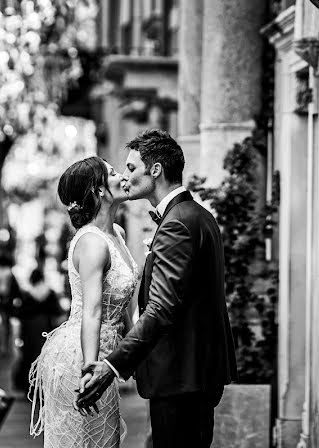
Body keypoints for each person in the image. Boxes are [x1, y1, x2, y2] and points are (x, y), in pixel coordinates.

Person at [76, 130, 238, 448]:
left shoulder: (177, 223)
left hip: (181, 376)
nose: (125, 176)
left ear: (155, 170)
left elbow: (162, 307)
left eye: (132, 168)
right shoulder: (197, 216)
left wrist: (111, 366)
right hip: (193, 373)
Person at [28, 156, 138, 448]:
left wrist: (134, 354)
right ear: (99, 189)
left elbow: (122, 306)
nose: (123, 177)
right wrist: (89, 368)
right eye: (114, 173)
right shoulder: (91, 242)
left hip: (105, 357)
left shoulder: (117, 235)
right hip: (79, 357)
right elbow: (93, 310)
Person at [13, 268, 62, 393]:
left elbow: (20, 314)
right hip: (45, 328)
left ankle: (29, 385)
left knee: (29, 357)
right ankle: (44, 384)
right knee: (45, 356)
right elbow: (57, 312)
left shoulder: (27, 294)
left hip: (29, 330)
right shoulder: (50, 293)